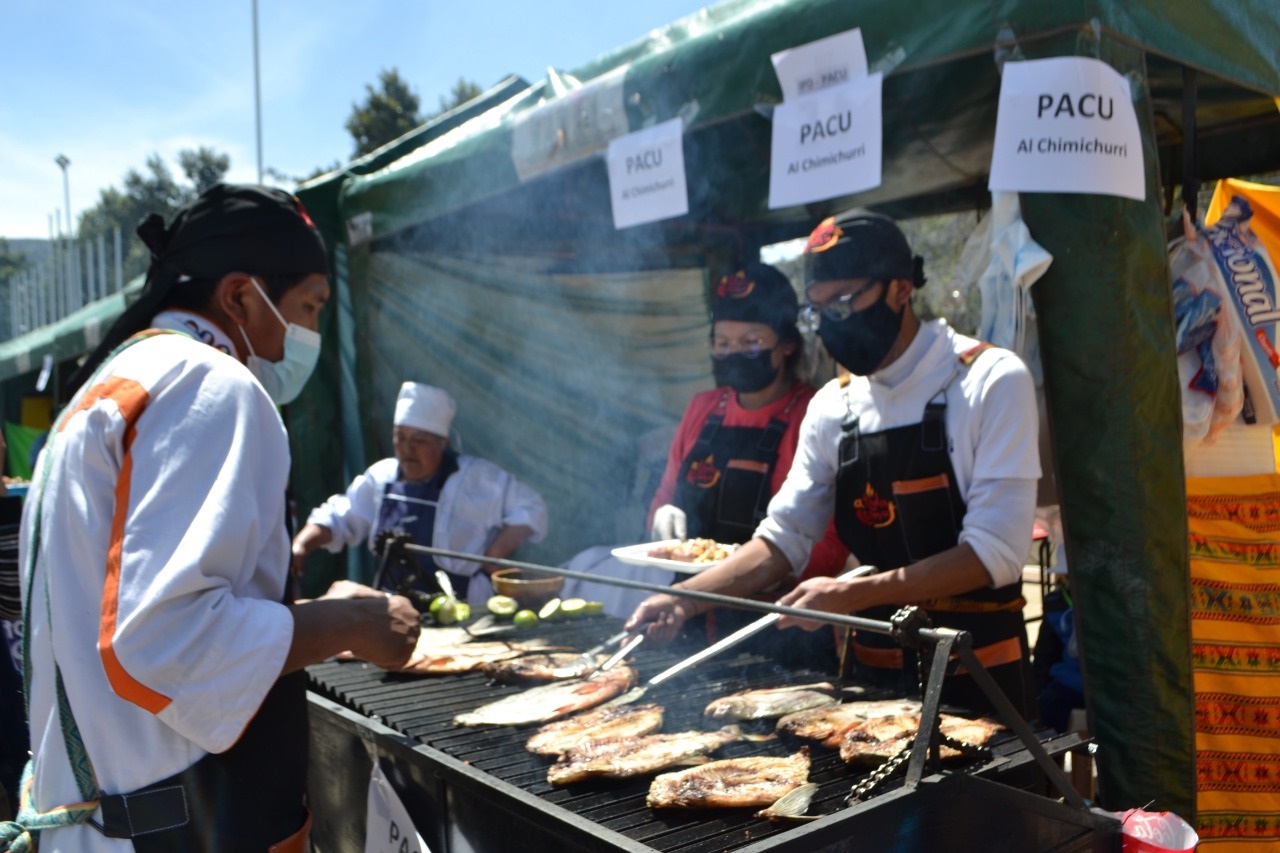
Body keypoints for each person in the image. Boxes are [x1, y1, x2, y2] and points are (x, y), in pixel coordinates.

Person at [11, 184, 420, 851]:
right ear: (239, 296)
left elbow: (122, 609)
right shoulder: (209, 382)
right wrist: (350, 622)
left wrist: (310, 609)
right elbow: (166, 641)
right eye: (310, 305)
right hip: (172, 832)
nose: (310, 332)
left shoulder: (105, 389)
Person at [627, 211, 1041, 717]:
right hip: (873, 683)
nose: (832, 324)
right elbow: (783, 539)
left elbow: (994, 553)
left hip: (979, 673)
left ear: (901, 289)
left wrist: (851, 593)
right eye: (818, 309)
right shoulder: (834, 404)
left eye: (844, 303)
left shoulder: (989, 380)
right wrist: (685, 599)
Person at [563, 262, 847, 640]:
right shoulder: (703, 408)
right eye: (722, 343)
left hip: (778, 620)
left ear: (787, 344)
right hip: (687, 613)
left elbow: (830, 542)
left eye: (751, 342)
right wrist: (662, 517)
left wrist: (759, 570)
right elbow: (664, 496)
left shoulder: (814, 412)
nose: (734, 353)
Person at [291, 381, 548, 607]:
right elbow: (340, 517)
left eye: (419, 440)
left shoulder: (476, 477)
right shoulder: (381, 476)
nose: (407, 449)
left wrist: (493, 556)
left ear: (442, 443)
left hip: (464, 609)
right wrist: (301, 546)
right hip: (391, 609)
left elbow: (532, 507)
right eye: (400, 438)